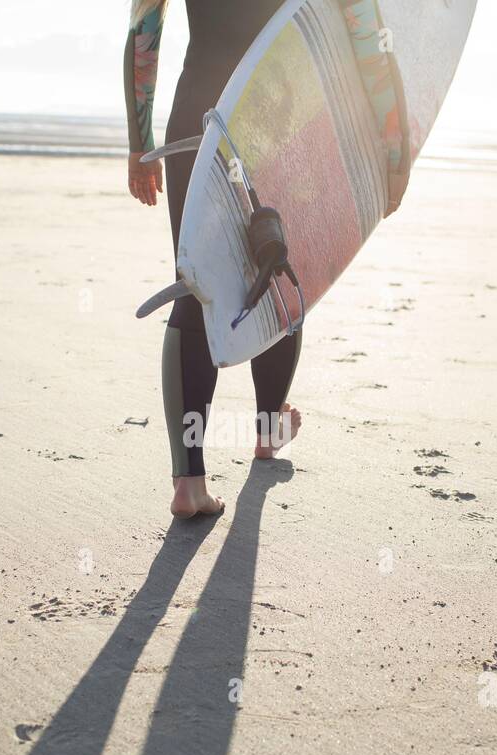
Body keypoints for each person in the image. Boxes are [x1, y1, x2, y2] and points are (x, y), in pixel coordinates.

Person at [125, 0, 303, 519]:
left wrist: (140, 143)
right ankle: (269, 431)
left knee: (197, 283)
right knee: (278, 263)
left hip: (200, 112)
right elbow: (353, 22)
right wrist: (388, 141)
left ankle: (190, 482)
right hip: (277, 110)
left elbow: (144, 29)